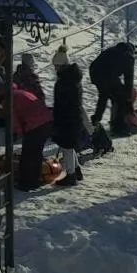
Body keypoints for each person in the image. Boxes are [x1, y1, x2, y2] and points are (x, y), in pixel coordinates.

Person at [50, 46, 87, 186]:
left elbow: (63, 102)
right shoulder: (72, 78)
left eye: (56, 66)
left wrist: (58, 118)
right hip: (73, 117)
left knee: (67, 147)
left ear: (62, 65)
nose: (55, 69)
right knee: (69, 146)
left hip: (67, 118)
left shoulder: (65, 81)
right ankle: (76, 170)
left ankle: (71, 175)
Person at [9, 83, 53, 191]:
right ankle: (35, 180)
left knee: (27, 155)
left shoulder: (9, 99)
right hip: (46, 121)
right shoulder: (23, 92)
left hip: (34, 125)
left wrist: (18, 133)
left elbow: (14, 119)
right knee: (36, 153)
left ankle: (25, 183)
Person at [88, 41, 136, 134]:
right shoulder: (129, 56)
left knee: (103, 96)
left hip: (95, 72)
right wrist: (128, 98)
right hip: (107, 75)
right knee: (121, 99)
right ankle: (119, 127)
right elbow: (129, 79)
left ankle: (96, 119)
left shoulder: (112, 50)